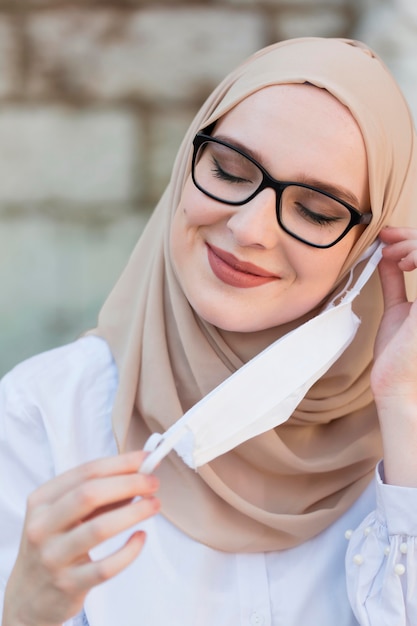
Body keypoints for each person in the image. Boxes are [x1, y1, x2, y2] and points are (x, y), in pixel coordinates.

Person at [1, 36, 417, 626]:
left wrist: (404, 412)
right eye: (228, 169)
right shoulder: (44, 416)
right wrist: (24, 612)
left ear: (369, 249)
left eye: (317, 210)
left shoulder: (406, 428)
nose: (250, 228)